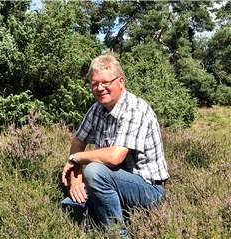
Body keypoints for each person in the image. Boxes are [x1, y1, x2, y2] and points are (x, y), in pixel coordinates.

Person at [61, 53, 169, 234]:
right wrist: (75, 180)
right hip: (117, 181)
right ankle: (103, 213)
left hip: (148, 188)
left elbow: (115, 157)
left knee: (95, 172)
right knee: (70, 205)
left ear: (120, 81)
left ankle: (117, 234)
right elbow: (78, 141)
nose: (99, 88)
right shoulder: (97, 109)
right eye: (94, 83)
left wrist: (76, 159)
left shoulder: (135, 109)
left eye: (105, 82)